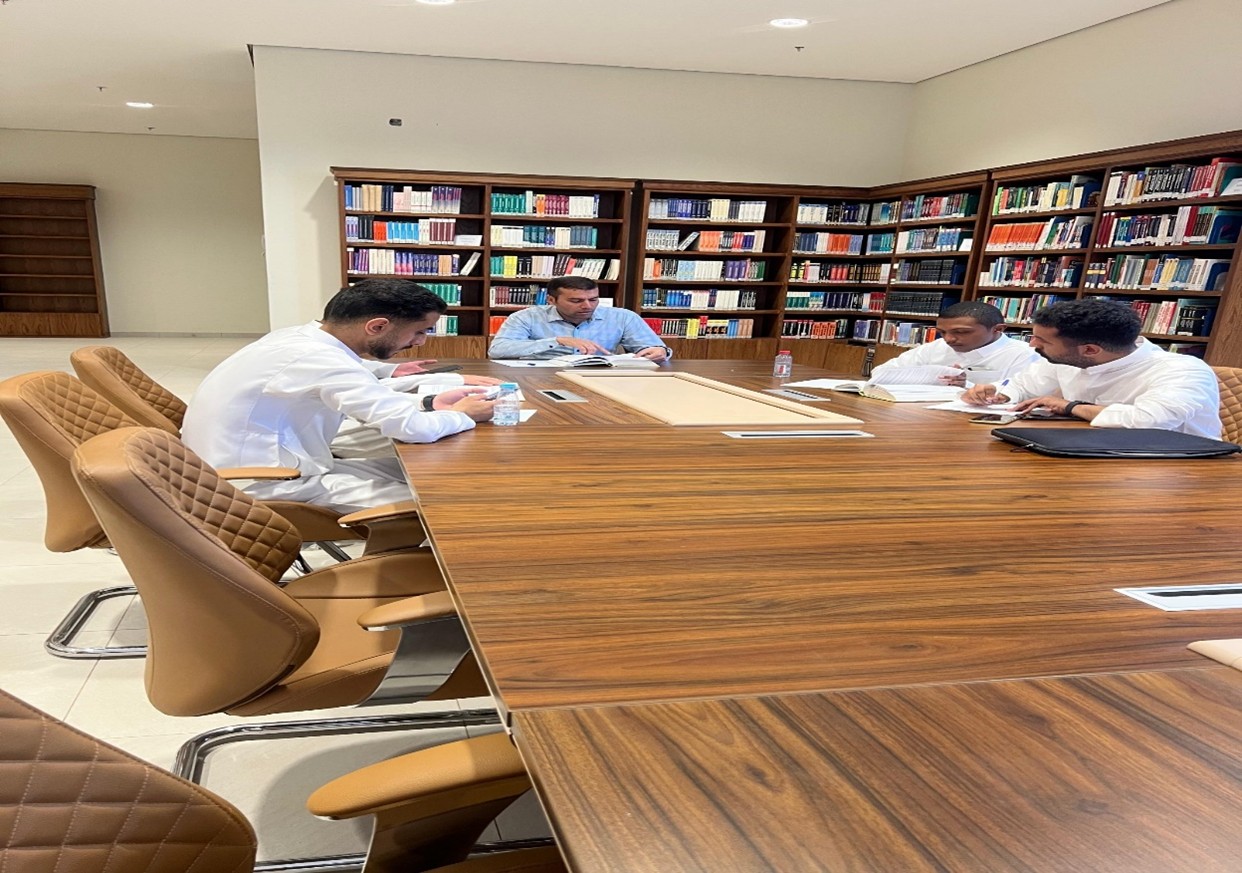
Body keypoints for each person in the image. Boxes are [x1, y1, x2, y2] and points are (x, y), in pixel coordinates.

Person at [182, 279, 499, 512]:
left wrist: (430, 401)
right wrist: (462, 415)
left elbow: (360, 383)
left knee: (424, 475)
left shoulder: (299, 339)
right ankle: (397, 566)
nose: (420, 342)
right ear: (377, 327)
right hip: (263, 483)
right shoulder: (322, 360)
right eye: (419, 331)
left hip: (250, 466)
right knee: (447, 501)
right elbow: (411, 428)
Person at [961, 298, 1222, 438]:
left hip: (1179, 466)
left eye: (1042, 341)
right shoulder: (1068, 358)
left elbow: (1148, 421)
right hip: (1097, 450)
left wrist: (1070, 406)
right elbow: (1025, 385)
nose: (1032, 345)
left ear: (1090, 350)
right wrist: (998, 392)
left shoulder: (1183, 371)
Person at [488, 276, 672, 361]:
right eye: (576, 301)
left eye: (593, 299)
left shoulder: (623, 317)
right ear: (551, 300)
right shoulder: (526, 317)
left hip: (600, 379)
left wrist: (659, 351)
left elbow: (652, 347)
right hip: (540, 375)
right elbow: (498, 350)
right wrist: (557, 341)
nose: (587, 306)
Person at [869, 301, 1039, 385]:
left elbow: (1020, 394)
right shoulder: (936, 347)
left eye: (961, 332)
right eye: (942, 332)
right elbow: (881, 372)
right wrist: (928, 376)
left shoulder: (1025, 354)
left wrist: (968, 385)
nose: (949, 339)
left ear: (998, 329)